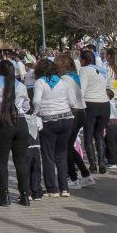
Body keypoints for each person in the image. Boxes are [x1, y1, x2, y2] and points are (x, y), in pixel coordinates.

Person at [0, 60, 32, 206]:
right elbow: (26, 105)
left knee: (2, 161)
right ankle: (24, 195)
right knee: (20, 160)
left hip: (3, 122)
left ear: (0, 70)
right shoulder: (21, 85)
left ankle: (4, 195)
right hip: (21, 122)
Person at [33, 58, 78, 197]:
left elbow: (36, 100)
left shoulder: (40, 82)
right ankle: (64, 188)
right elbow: (72, 101)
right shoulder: (63, 82)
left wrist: (36, 113)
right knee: (61, 154)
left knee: (48, 155)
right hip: (66, 119)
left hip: (48, 120)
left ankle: (52, 189)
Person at [55, 54, 93, 187]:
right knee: (69, 146)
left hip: (74, 112)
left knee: (66, 147)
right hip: (81, 112)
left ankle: (73, 177)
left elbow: (69, 99)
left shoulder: (65, 79)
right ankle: (85, 174)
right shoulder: (74, 76)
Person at [78, 49, 109, 174]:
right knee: (99, 134)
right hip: (104, 104)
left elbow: (82, 90)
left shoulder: (84, 70)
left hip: (90, 103)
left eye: (80, 59)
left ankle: (92, 164)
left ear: (84, 60)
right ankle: (101, 162)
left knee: (88, 135)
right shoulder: (102, 70)